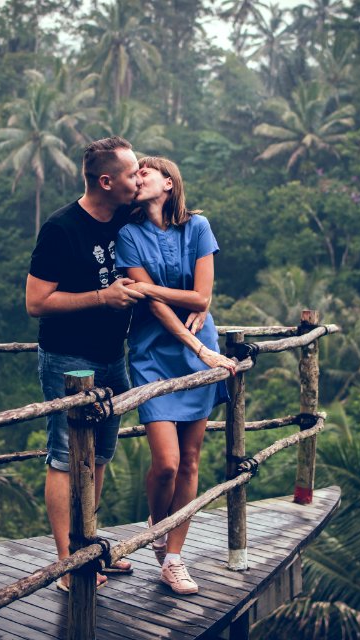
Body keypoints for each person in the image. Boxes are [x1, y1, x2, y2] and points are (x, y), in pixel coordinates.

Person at [25, 136, 145, 591]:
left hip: (114, 356)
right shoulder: (61, 228)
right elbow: (36, 303)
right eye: (132, 173)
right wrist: (103, 296)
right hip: (67, 361)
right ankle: (68, 565)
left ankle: (87, 547)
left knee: (98, 458)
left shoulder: (128, 217)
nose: (138, 179)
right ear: (106, 180)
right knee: (63, 457)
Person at [115, 156, 236, 595]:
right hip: (154, 352)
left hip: (201, 351)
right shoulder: (127, 235)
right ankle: (157, 522)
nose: (138, 177)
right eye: (135, 173)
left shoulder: (198, 227)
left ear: (169, 182)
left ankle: (174, 558)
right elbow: (159, 307)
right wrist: (196, 341)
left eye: (145, 172)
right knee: (165, 463)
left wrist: (149, 287)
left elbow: (202, 297)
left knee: (190, 460)